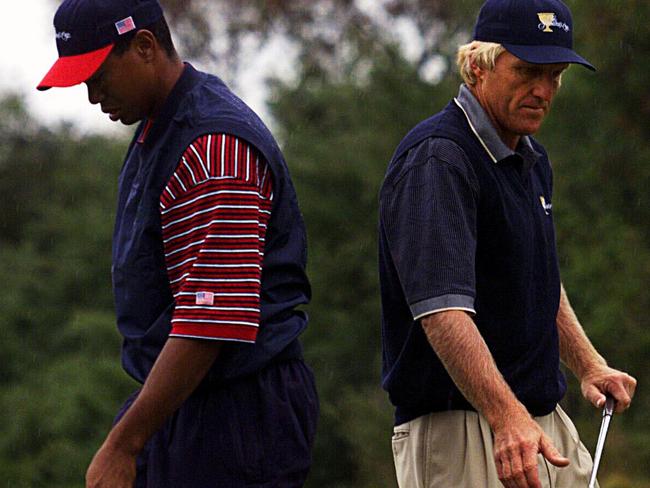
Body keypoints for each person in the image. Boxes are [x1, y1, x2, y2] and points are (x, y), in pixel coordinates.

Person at [38, 0, 319, 486]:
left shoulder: (213, 148)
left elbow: (210, 322)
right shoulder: (158, 127)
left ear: (145, 46)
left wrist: (123, 444)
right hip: (188, 402)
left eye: (98, 75)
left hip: (238, 417)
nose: (91, 96)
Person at [378, 0, 637, 487]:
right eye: (527, 72)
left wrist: (588, 365)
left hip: (536, 422)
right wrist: (506, 416)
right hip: (462, 431)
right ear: (478, 65)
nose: (543, 91)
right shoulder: (439, 159)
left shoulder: (532, 159)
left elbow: (539, 281)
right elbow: (441, 312)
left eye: (556, 75)